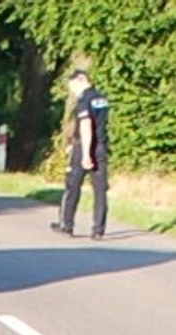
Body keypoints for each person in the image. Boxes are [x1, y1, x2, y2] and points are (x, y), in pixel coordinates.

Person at [51, 70, 111, 240]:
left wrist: (85, 154)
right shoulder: (101, 98)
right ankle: (98, 230)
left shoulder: (85, 99)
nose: (73, 91)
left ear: (81, 80)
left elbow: (86, 125)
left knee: (72, 186)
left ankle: (66, 225)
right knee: (100, 190)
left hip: (84, 147)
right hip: (101, 146)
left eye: (73, 86)